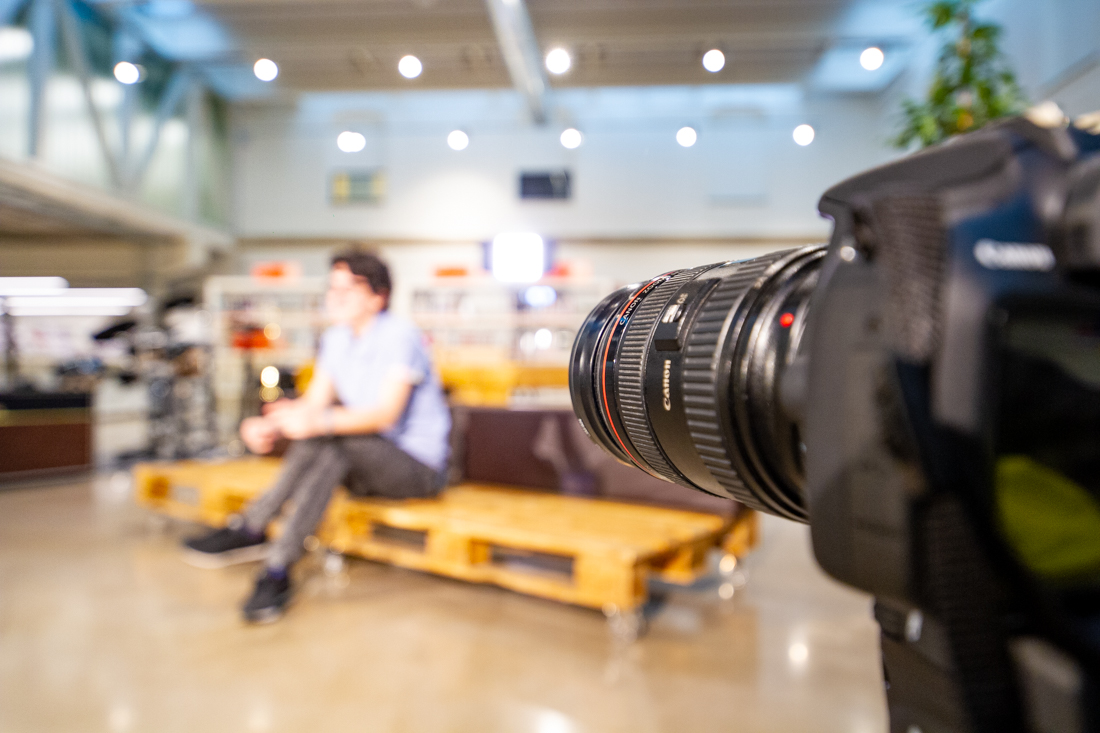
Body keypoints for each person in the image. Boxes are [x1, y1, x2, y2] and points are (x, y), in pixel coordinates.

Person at [183, 250, 451, 623]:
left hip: (416, 469)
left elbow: (382, 416)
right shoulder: (336, 339)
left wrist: (318, 422)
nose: (335, 296)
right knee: (331, 442)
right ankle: (273, 564)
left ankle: (255, 531)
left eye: (349, 288)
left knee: (334, 437)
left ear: (379, 296)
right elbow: (314, 405)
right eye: (332, 287)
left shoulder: (400, 336)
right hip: (362, 462)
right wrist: (267, 427)